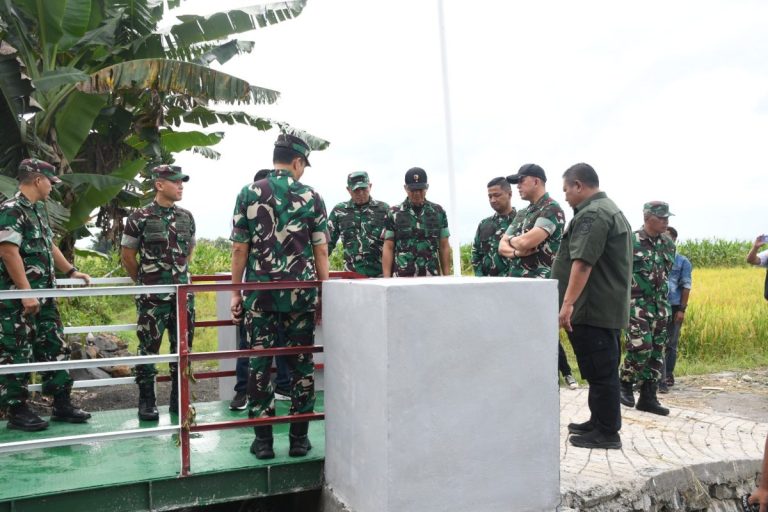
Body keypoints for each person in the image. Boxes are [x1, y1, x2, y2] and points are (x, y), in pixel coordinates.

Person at [230, 133, 329, 460]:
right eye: (303, 166)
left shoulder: (248, 192)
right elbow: (321, 251)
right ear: (297, 162)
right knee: (301, 364)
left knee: (260, 364)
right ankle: (299, 439)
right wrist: (324, 293)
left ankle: (263, 443)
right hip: (301, 296)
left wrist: (235, 294)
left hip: (260, 296)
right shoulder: (312, 196)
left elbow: (239, 249)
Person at [0, 158, 92, 431]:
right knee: (17, 351)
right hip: (19, 300)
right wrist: (26, 293)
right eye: (50, 182)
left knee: (55, 346)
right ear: (38, 180)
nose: (52, 187)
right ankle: (17, 410)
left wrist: (71, 271)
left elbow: (49, 245)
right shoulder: (11, 210)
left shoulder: (37, 210)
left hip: (45, 297)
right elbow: (7, 252)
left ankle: (61, 403)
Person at [552, 162, 632, 450]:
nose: (565, 197)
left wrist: (567, 304)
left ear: (579, 185)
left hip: (591, 308)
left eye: (566, 190)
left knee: (601, 372)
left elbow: (583, 263)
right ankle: (598, 422)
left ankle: (607, 432)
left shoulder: (593, 214)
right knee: (600, 370)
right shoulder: (606, 209)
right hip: (599, 307)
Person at [121, 164, 196, 421]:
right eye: (176, 182)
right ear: (159, 185)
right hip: (152, 299)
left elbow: (189, 251)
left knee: (183, 349)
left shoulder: (186, 217)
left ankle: (179, 400)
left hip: (183, 297)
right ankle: (147, 401)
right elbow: (128, 256)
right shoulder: (139, 217)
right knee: (148, 350)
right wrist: (146, 283)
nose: (180, 186)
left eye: (182, 182)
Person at [498, 164, 576, 389]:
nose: (518, 186)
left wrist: (516, 241)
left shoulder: (551, 209)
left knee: (542, 344)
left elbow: (528, 241)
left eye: (521, 181)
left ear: (536, 181)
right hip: (518, 287)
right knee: (520, 343)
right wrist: (516, 251)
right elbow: (501, 246)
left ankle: (548, 387)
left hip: (540, 288)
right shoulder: (524, 213)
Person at [229, 169, 291, 411]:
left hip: (278, 288)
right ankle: (245, 390)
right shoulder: (252, 207)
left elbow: (239, 249)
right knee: (255, 343)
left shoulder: (272, 207)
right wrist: (237, 291)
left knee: (263, 342)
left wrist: (236, 291)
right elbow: (239, 248)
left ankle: (279, 387)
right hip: (262, 288)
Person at [618, 202, 675, 416]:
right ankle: (625, 383)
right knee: (641, 346)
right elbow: (619, 271)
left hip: (660, 306)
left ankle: (648, 396)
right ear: (647, 217)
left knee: (657, 352)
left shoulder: (668, 244)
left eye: (667, 218)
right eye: (661, 218)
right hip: (636, 305)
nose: (665, 222)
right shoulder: (631, 241)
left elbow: (666, 273)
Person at [382, 167, 451, 277]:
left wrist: (447, 278)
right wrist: (386, 279)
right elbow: (388, 247)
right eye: (413, 190)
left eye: (420, 189)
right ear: (405, 188)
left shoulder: (438, 212)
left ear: (427, 187)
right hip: (402, 277)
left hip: (431, 277)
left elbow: (444, 246)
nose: (417, 193)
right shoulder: (393, 213)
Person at [328, 171, 389, 277]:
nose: (360, 193)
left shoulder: (384, 209)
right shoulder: (339, 211)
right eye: (356, 190)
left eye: (364, 189)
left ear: (370, 186)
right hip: (351, 276)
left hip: (379, 275)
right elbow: (327, 244)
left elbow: (393, 244)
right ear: (348, 190)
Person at [660, 226, 692, 393]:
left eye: (667, 237)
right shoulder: (655, 258)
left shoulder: (682, 262)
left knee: (671, 344)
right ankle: (656, 377)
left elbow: (686, 286)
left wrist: (681, 310)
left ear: (674, 240)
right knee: (655, 342)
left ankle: (668, 375)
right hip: (657, 306)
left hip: (674, 307)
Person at [471, 177, 516, 276]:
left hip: (513, 281)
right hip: (487, 282)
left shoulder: (521, 222)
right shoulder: (484, 224)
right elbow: (476, 254)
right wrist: (480, 277)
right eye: (490, 196)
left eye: (497, 195)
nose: (493, 200)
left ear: (509, 194)